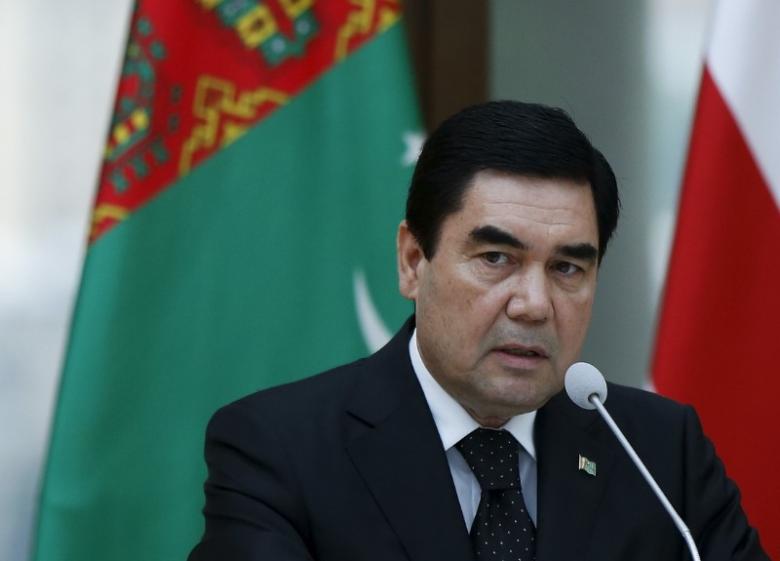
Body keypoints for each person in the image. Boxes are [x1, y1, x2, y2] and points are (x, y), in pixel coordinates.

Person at [189, 101, 769, 560]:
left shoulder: (659, 450)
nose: (535, 304)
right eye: (496, 258)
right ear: (414, 261)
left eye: (568, 268)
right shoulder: (280, 450)